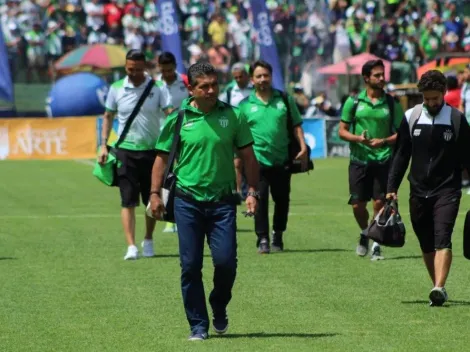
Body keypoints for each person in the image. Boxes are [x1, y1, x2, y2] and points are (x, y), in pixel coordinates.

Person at [149, 62, 260, 340]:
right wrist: (154, 194)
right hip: (187, 201)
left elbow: (248, 157)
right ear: (191, 89)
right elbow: (162, 158)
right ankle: (198, 325)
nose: (211, 91)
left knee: (225, 263)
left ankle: (219, 304)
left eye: (214, 85)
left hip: (223, 202)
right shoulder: (178, 118)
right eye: (204, 86)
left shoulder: (234, 116)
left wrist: (252, 191)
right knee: (190, 266)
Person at [387, 70, 470, 306]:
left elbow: (468, 156)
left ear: (444, 93)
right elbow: (401, 155)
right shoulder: (411, 117)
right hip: (418, 190)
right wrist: (391, 187)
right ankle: (438, 288)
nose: (431, 103)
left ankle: (439, 286)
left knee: (442, 237)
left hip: (448, 190)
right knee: (426, 241)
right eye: (427, 98)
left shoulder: (456, 119)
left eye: (435, 98)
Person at [98, 49, 173, 260]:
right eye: (130, 69)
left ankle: (148, 239)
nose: (134, 73)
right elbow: (107, 116)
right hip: (125, 152)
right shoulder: (116, 88)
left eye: (138, 69)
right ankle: (131, 246)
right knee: (127, 201)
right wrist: (103, 145)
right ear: (125, 67)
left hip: (152, 152)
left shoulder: (158, 88)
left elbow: (170, 114)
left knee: (153, 198)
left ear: (146, 68)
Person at [238, 60, 309, 254]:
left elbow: (296, 125)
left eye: (266, 75)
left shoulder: (284, 99)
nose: (263, 79)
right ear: (252, 79)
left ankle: (278, 234)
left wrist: (303, 146)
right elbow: (238, 136)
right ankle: (262, 238)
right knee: (258, 199)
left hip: (281, 159)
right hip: (256, 161)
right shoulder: (244, 106)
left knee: (282, 200)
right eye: (258, 76)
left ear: (271, 77)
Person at [338, 59, 404, 260]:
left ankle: (376, 244)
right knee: (358, 205)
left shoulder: (392, 103)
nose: (382, 78)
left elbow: (402, 134)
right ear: (366, 78)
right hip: (359, 159)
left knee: (379, 203)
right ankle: (366, 232)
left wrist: (383, 141)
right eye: (377, 75)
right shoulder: (354, 102)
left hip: (384, 159)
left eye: (382, 74)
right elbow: (342, 131)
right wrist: (359, 139)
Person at [156, 52, 190, 234]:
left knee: (181, 175)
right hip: (163, 138)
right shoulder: (154, 85)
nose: (168, 73)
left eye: (170, 70)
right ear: (159, 67)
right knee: (164, 177)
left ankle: (180, 216)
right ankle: (168, 217)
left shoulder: (184, 81)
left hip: (185, 134)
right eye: (164, 70)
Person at [219, 62, 254, 198]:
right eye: (236, 77)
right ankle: (238, 192)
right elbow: (221, 105)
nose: (238, 80)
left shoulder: (254, 89)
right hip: (235, 131)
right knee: (237, 163)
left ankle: (253, 189)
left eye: (241, 77)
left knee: (251, 161)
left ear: (246, 76)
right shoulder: (229, 90)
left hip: (253, 130)